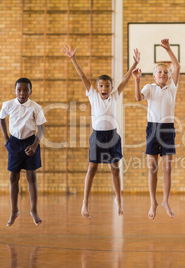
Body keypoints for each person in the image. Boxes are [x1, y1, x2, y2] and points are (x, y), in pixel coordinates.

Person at [62, 44, 140, 218]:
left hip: (112, 136)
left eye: (107, 85)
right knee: (92, 169)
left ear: (111, 88)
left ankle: (119, 200)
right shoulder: (92, 95)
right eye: (101, 86)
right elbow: (82, 76)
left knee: (115, 169)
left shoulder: (115, 95)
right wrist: (73, 58)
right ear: (97, 88)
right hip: (97, 136)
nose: (104, 88)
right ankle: (85, 202)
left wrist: (134, 64)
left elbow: (126, 79)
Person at [132, 39, 181, 220]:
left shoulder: (172, 88)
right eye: (159, 72)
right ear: (154, 76)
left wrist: (168, 49)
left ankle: (166, 200)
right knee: (152, 167)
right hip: (153, 129)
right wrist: (137, 80)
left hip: (168, 129)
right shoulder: (149, 88)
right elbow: (137, 98)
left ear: (169, 76)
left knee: (167, 168)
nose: (163, 73)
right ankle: (153, 201)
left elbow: (176, 65)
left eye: (165, 72)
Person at [0, 78, 46, 226]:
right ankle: (14, 211)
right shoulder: (8, 104)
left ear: (31, 91)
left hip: (30, 142)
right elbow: (1, 118)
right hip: (14, 142)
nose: (22, 93)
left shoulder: (35, 107)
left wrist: (34, 145)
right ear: (15, 91)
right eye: (19, 90)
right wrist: (6, 137)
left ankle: (34, 210)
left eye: (26, 90)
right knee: (13, 177)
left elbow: (41, 128)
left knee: (31, 177)